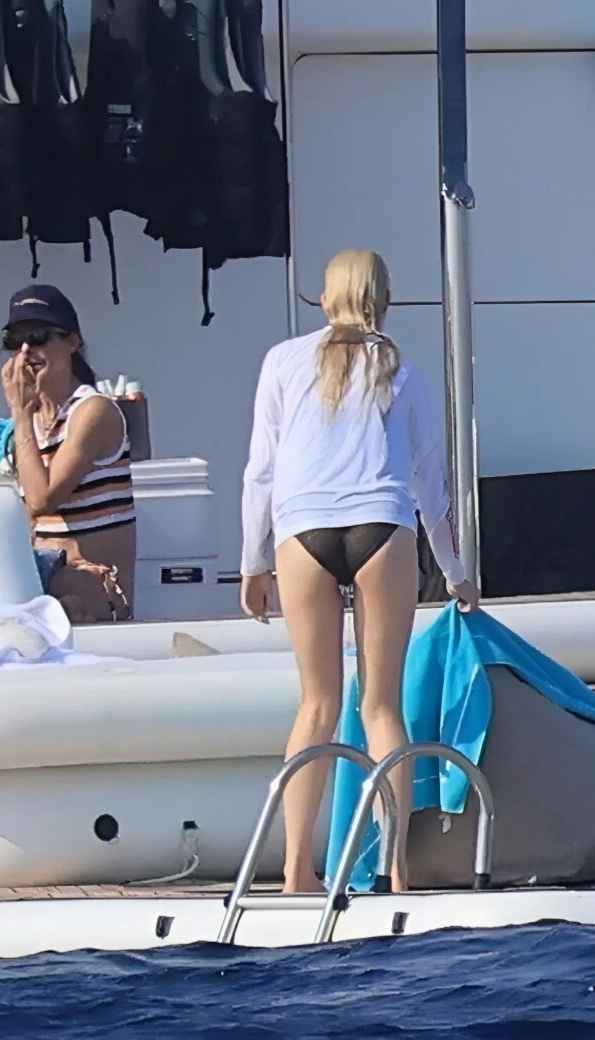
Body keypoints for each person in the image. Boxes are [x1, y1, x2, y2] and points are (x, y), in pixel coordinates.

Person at [240, 249, 480, 894]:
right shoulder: (404, 373)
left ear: (325, 299)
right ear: (385, 300)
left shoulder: (283, 361)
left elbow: (261, 470)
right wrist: (455, 572)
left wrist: (253, 563)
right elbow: (431, 485)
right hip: (382, 526)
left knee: (316, 704)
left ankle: (296, 870)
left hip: (302, 530)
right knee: (381, 706)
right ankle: (394, 869)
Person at [0, 285, 137, 623]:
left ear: (73, 342)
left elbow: (43, 499)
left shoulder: (92, 411)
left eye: (38, 336)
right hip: (48, 583)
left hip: (97, 595)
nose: (26, 350)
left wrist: (19, 414)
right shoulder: (33, 422)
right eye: (15, 340)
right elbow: (31, 519)